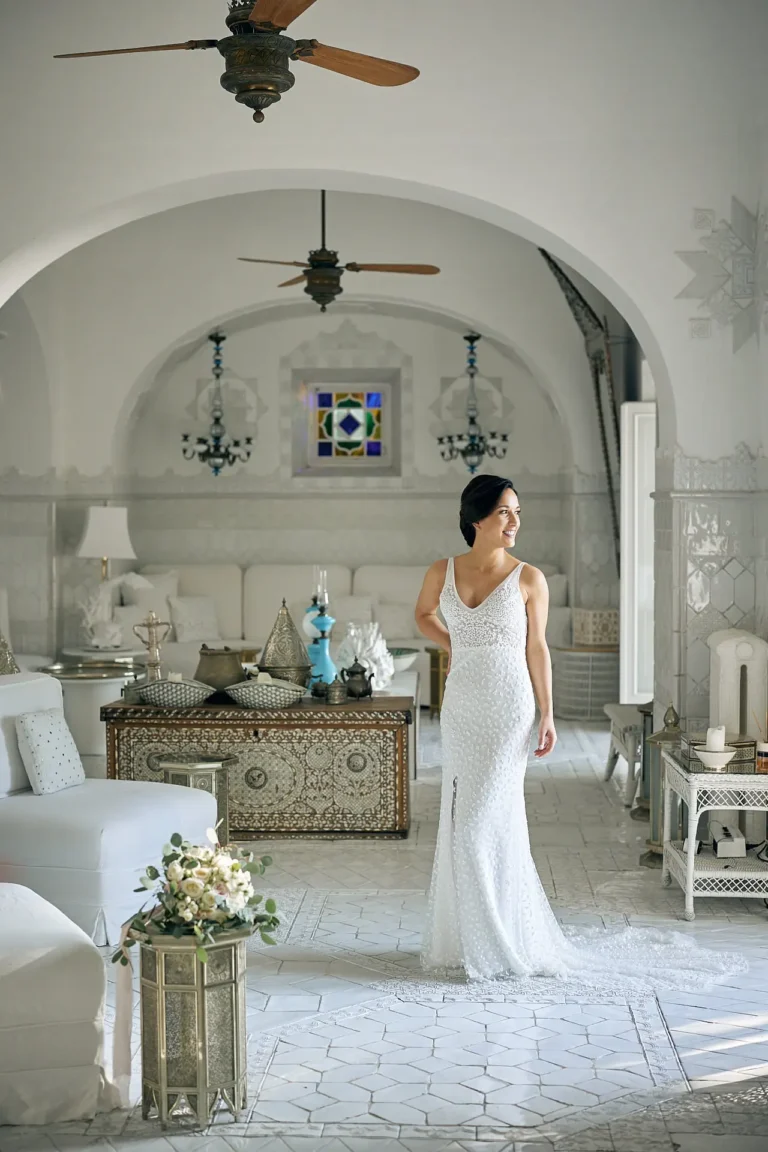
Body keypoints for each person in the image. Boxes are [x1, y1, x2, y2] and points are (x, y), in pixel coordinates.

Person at [413, 473, 745, 992]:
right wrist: (457, 642)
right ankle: (470, 936)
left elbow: (537, 648)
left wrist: (547, 713)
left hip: (507, 707)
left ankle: (499, 937)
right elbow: (424, 615)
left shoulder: (529, 578)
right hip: (461, 708)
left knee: (482, 819)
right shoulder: (441, 571)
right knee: (466, 819)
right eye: (505, 512)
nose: (516, 521)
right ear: (476, 517)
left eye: (518, 511)